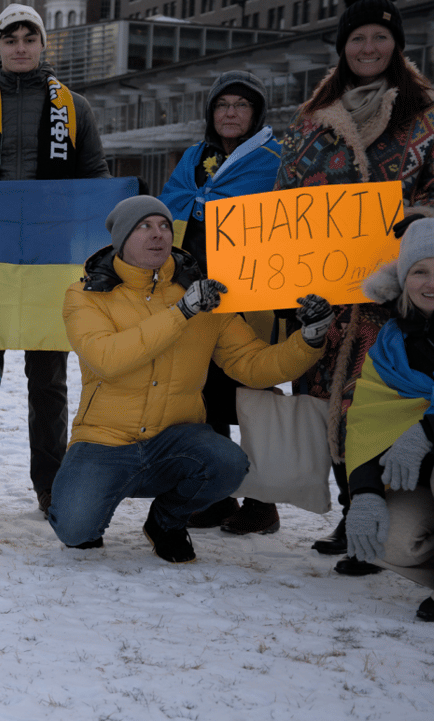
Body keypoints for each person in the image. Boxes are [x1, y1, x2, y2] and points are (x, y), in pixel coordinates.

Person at [49, 196, 331, 563]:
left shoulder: (204, 298)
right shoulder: (86, 295)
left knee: (228, 463)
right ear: (121, 239)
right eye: (144, 226)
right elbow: (108, 360)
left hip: (175, 438)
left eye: (164, 225)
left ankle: (166, 522)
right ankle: (97, 502)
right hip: (105, 438)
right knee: (74, 531)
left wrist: (309, 340)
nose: (158, 235)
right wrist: (181, 312)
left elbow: (252, 365)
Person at [273, 0, 434, 564]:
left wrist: (414, 223)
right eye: (358, 38)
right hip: (325, 291)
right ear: (343, 48)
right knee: (324, 397)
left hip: (396, 292)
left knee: (376, 399)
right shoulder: (314, 118)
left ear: (397, 44)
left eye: (380, 37)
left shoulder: (425, 117)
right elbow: (284, 198)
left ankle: (388, 516)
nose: (368, 47)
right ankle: (352, 514)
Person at [0, 3, 111, 515]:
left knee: (49, 379)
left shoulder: (74, 106)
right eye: (11, 39)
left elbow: (96, 174)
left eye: (30, 37)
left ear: (44, 45)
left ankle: (50, 483)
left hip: (52, 259)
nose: (21, 47)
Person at [158, 70, 285, 534]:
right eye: (222, 105)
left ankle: (262, 502)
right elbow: (170, 210)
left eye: (241, 105)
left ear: (256, 114)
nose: (230, 113)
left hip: (254, 296)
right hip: (198, 296)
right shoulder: (194, 156)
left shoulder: (275, 159)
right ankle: (216, 494)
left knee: (252, 395)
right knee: (205, 397)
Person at [345, 217, 434, 622]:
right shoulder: (391, 340)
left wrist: (425, 430)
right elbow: (369, 416)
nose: (431, 283)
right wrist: (364, 491)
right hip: (416, 471)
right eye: (420, 271)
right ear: (403, 278)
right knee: (390, 544)